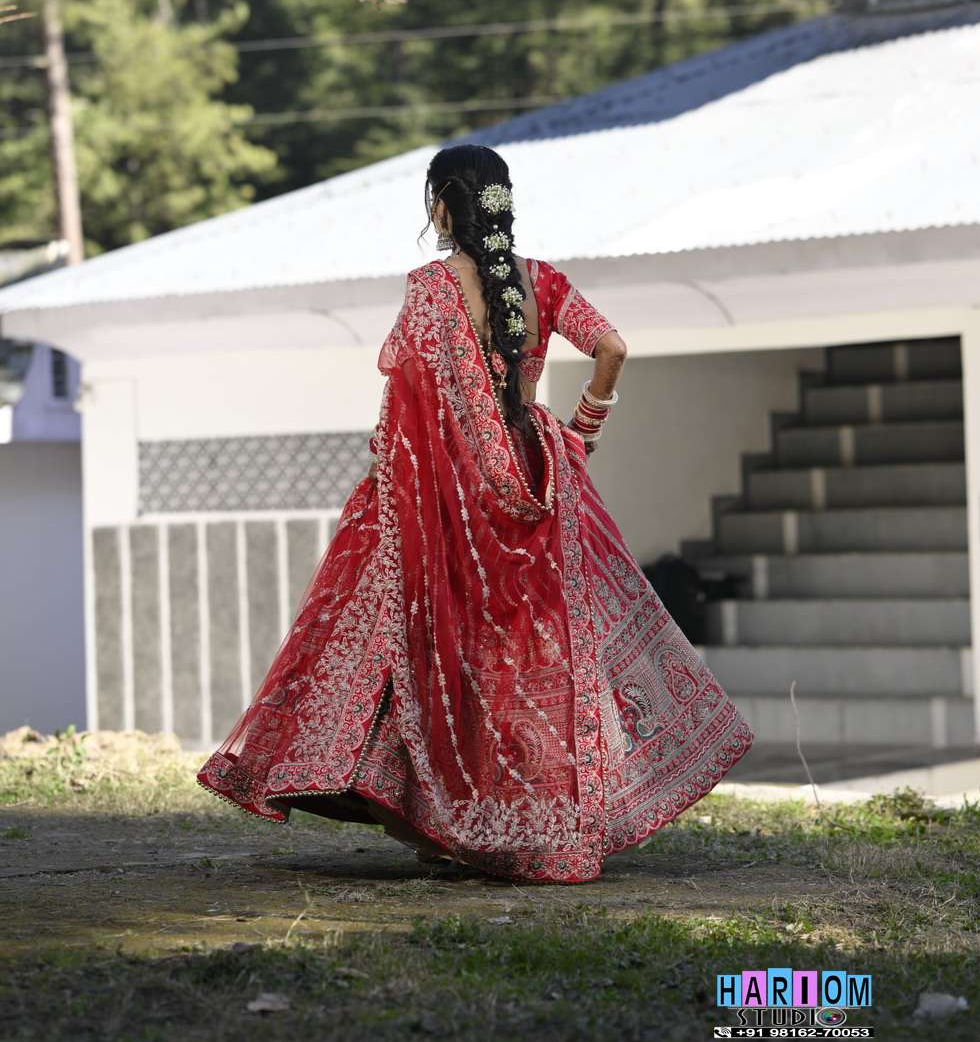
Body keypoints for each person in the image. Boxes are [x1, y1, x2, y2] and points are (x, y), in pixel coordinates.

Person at [196, 145, 753, 882]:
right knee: (529, 657)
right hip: (539, 481)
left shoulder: (432, 288)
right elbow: (613, 348)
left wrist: (391, 469)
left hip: (442, 488)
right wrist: (582, 432)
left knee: (435, 646)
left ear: (441, 206)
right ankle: (528, 825)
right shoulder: (543, 282)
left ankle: (443, 819)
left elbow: (410, 404)